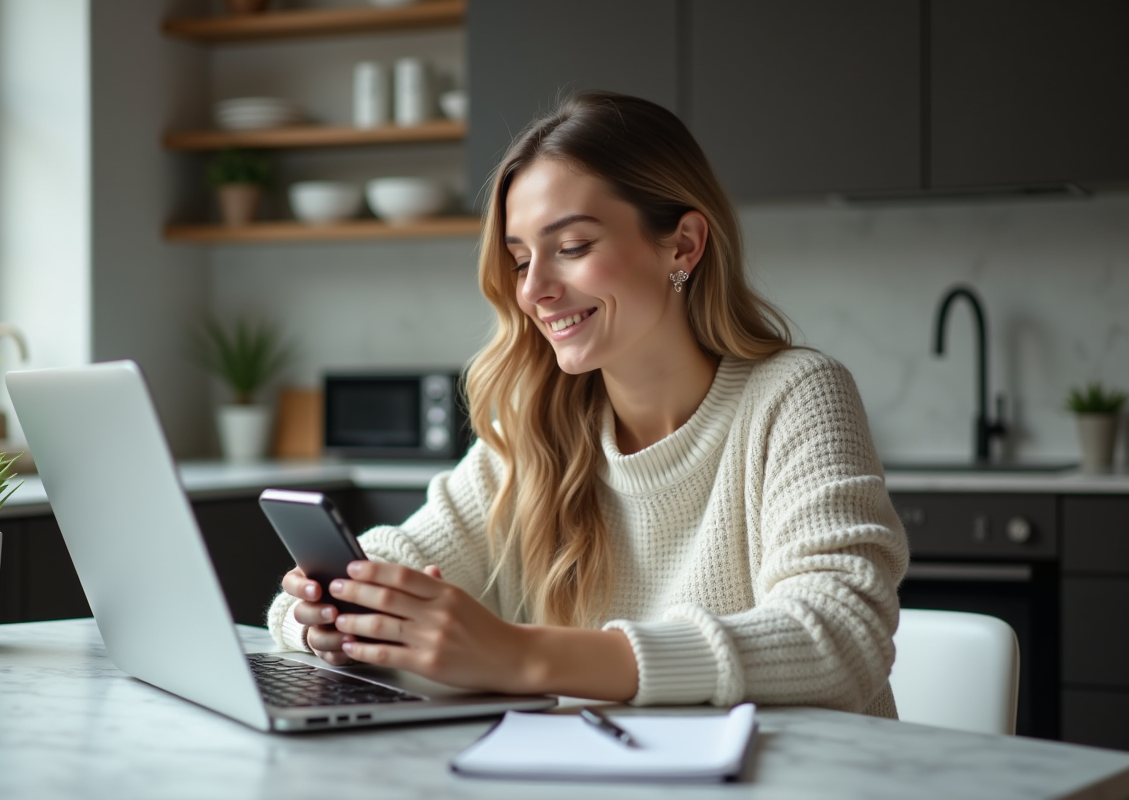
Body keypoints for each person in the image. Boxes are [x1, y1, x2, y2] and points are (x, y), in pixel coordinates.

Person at [268, 91, 909, 716]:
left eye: (572, 247)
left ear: (683, 245)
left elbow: (840, 636)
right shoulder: (536, 427)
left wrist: (522, 655)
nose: (535, 290)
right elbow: (387, 560)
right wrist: (326, 613)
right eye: (520, 261)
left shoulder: (795, 396)